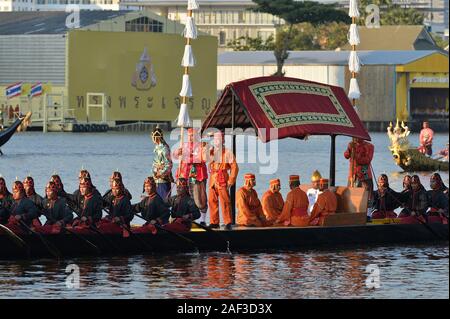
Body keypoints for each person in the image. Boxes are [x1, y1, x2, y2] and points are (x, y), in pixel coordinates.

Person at [173, 127, 208, 225]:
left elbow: (203, 158)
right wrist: (177, 153)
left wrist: (187, 157)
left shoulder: (202, 145)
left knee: (199, 198)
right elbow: (175, 155)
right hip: (185, 175)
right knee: (187, 198)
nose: (190, 137)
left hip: (198, 175)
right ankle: (189, 218)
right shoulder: (184, 145)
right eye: (189, 136)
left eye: (192, 135)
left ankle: (202, 219)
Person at [208, 131, 239, 229]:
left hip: (222, 177)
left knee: (225, 201)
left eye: (218, 139)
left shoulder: (227, 152)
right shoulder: (211, 151)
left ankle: (228, 222)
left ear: (222, 140)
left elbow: (234, 167)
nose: (216, 141)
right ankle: (214, 222)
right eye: (215, 139)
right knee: (211, 200)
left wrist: (231, 180)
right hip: (213, 178)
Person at [151, 127, 174, 200]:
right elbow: (155, 163)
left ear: (155, 137)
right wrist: (154, 172)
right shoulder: (157, 148)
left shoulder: (164, 149)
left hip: (163, 180)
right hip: (156, 180)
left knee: (164, 203)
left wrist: (160, 173)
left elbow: (169, 165)